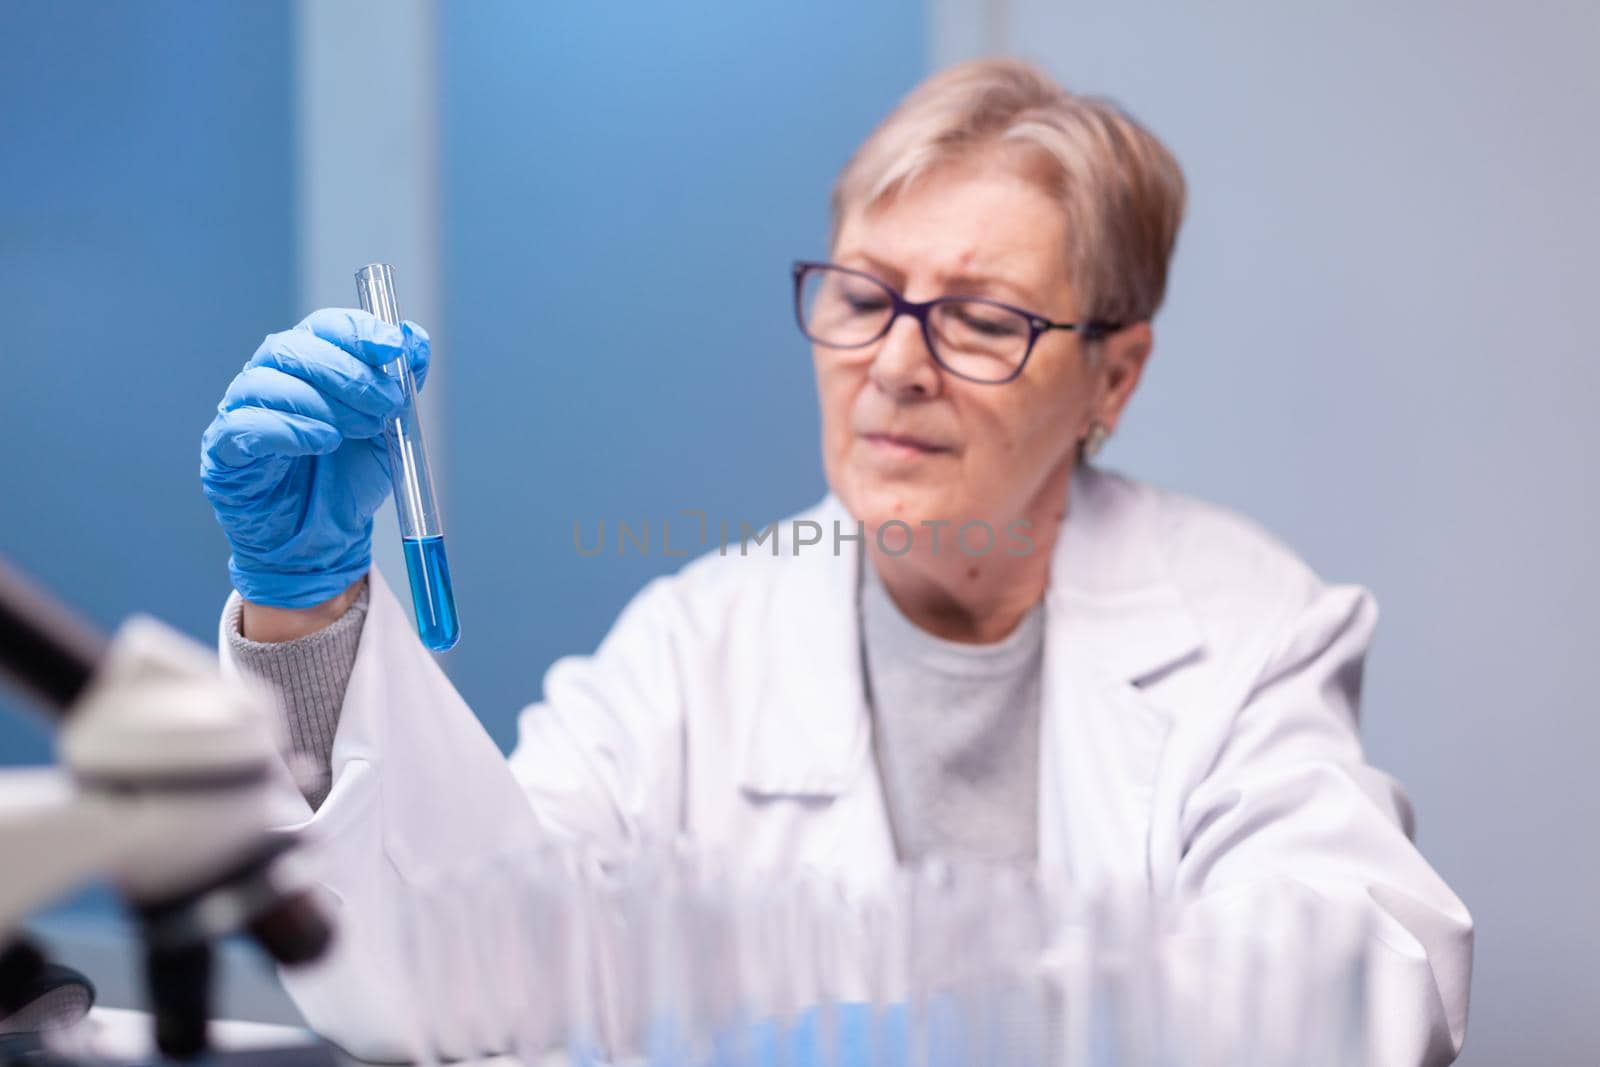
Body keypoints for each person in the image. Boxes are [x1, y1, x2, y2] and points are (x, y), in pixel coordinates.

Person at [200, 59, 1472, 1063]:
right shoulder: (697, 640)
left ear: (1113, 376)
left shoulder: (1247, 627)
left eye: (979, 318)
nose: (897, 363)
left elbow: (1361, 985)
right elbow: (459, 956)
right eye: (862, 297)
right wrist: (307, 612)